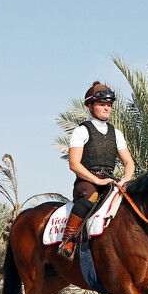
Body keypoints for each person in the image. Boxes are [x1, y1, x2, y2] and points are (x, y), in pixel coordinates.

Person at [59, 81, 135, 259]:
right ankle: (68, 239)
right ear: (90, 106)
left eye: (109, 105)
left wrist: (125, 180)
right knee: (92, 196)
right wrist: (97, 181)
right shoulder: (81, 131)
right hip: (86, 183)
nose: (107, 108)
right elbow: (74, 164)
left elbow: (129, 163)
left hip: (110, 181)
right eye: (102, 104)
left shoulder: (116, 133)